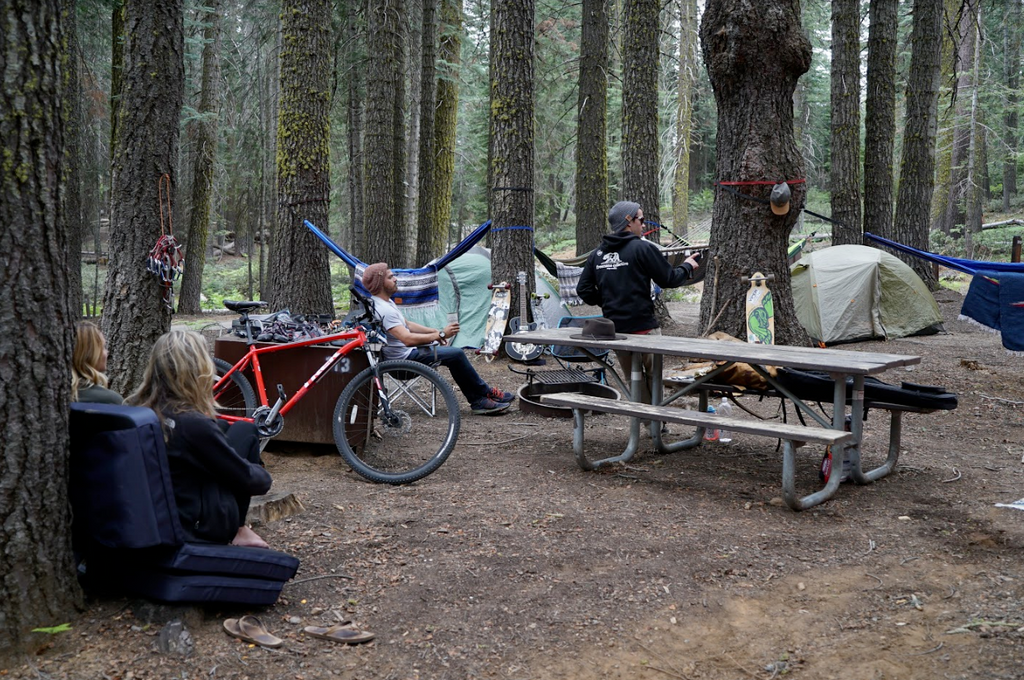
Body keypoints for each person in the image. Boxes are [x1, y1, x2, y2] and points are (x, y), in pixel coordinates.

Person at [127, 330, 272, 548]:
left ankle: (240, 529)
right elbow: (251, 480)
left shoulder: (139, 409)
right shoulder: (192, 424)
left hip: (158, 510)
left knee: (232, 428)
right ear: (197, 369)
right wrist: (263, 475)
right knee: (246, 432)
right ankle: (238, 529)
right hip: (192, 525)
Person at [577, 201, 701, 404]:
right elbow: (668, 279)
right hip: (645, 329)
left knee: (632, 377)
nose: (643, 225)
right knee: (654, 376)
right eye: (641, 220)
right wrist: (687, 267)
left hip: (616, 332)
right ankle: (656, 423)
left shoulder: (597, 255)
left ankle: (645, 422)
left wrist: (608, 301)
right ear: (628, 221)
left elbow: (583, 290)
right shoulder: (642, 248)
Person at [362, 263, 515, 415]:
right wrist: (440, 335)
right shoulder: (384, 310)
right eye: (390, 277)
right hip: (403, 364)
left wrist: (435, 331)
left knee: (454, 355)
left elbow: (407, 324)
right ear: (379, 283)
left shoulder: (384, 302)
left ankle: (482, 396)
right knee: (456, 355)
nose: (395, 279)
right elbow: (406, 339)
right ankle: (480, 398)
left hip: (409, 354)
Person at [72, 321, 124, 404]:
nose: (107, 352)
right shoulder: (111, 400)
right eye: (103, 347)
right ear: (90, 353)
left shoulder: (54, 394)